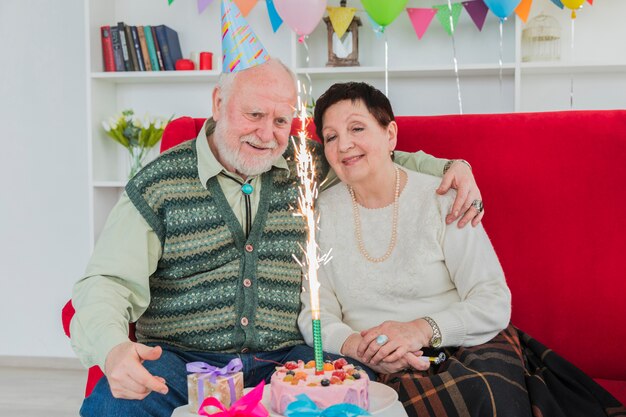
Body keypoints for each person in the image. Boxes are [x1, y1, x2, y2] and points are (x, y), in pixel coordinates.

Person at [71, 58, 486, 416]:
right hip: (180, 365)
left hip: (289, 361)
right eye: (254, 115)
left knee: (353, 393)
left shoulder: (303, 163)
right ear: (218, 104)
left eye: (281, 120)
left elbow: (374, 158)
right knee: (114, 407)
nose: (268, 134)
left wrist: (454, 166)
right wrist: (112, 349)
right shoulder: (158, 184)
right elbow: (106, 283)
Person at [298, 81, 625, 417]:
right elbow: (315, 313)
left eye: (356, 128)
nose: (344, 145)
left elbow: (493, 299)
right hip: (364, 358)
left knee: (479, 395)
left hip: (455, 347)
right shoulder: (318, 211)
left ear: (390, 135)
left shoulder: (443, 198)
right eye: (331, 136)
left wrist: (419, 330)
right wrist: (357, 347)